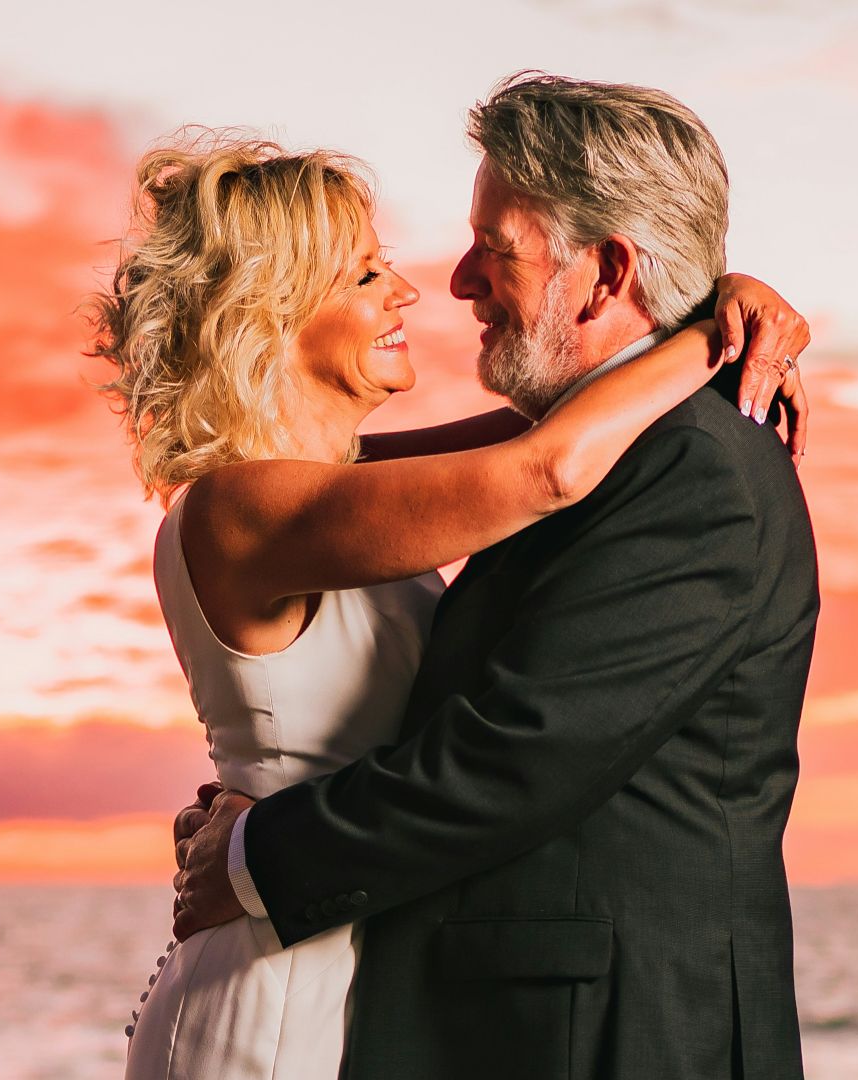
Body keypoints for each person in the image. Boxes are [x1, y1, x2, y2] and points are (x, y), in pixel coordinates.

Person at [165, 73, 819, 1079]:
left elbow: (517, 752)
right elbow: (537, 468)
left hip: (604, 1037)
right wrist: (704, 329)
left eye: (493, 248)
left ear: (604, 273)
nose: (447, 283)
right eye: (366, 275)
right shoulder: (311, 497)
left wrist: (262, 854)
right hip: (398, 997)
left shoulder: (685, 466)